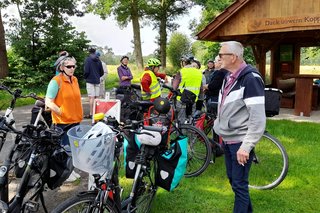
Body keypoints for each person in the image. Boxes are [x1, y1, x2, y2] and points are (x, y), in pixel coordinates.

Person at [213, 41, 266, 213]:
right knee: (235, 182)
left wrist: (246, 147)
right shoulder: (228, 76)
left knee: (239, 184)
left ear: (233, 57)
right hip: (228, 140)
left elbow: (258, 119)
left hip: (240, 142)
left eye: (221, 55)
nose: (218, 58)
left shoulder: (250, 79)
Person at [45, 56, 83, 182]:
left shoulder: (75, 80)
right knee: (63, 148)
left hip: (75, 120)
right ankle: (62, 172)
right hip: (62, 122)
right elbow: (48, 101)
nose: (72, 69)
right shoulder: (56, 81)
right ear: (62, 67)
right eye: (68, 67)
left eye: (73, 66)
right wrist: (60, 111)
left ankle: (70, 169)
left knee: (73, 147)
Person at [172, 54, 203, 123]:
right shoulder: (199, 73)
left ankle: (182, 133)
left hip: (181, 99)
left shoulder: (182, 71)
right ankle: (191, 132)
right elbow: (201, 89)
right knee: (192, 119)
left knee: (181, 119)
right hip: (193, 99)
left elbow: (174, 87)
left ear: (184, 62)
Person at [83, 48, 104, 119]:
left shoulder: (88, 59)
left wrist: (85, 77)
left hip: (89, 80)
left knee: (91, 97)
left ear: (89, 52)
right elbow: (102, 72)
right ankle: (97, 112)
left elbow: (86, 71)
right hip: (97, 80)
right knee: (97, 97)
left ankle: (91, 113)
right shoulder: (99, 60)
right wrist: (97, 76)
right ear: (95, 52)